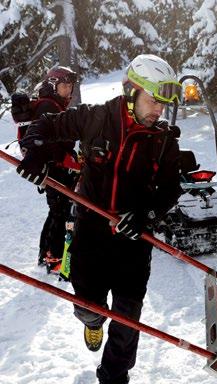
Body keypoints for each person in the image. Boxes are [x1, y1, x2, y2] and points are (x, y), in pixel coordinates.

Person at [16, 54, 183, 384]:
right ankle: (92, 322)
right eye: (153, 101)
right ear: (131, 93)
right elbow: (44, 125)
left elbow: (171, 190)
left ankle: (113, 376)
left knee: (127, 319)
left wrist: (147, 214)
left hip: (133, 243)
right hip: (90, 235)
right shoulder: (95, 117)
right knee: (88, 307)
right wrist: (35, 152)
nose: (158, 110)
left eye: (163, 105)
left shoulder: (163, 141)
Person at [13, 66, 81, 272]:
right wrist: (68, 159)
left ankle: (48, 255)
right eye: (64, 86)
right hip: (55, 169)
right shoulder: (48, 106)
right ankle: (53, 257)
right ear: (53, 85)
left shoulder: (52, 104)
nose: (68, 90)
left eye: (70, 86)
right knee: (59, 212)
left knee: (57, 211)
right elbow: (50, 143)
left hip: (56, 168)